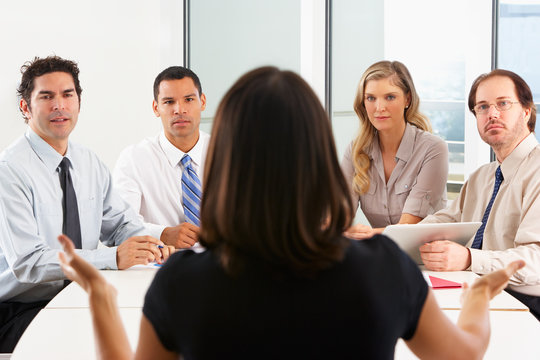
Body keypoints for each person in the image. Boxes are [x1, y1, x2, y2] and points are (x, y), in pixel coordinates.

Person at [58, 66, 523, 359]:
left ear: (225, 162)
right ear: (318, 156)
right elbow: (462, 355)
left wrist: (99, 296)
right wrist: (479, 297)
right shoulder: (383, 269)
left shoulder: (182, 281)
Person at [0, 56, 174, 352]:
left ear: (78, 102)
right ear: (25, 107)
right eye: (47, 96)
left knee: (153, 331)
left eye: (68, 95)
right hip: (22, 307)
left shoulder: (88, 162)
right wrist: (112, 259)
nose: (60, 105)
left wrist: (153, 246)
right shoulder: (10, 169)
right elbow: (28, 264)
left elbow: (120, 225)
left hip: (79, 296)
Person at [419, 69, 540, 320]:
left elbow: (536, 261)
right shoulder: (481, 177)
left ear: (527, 112)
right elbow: (444, 222)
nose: (492, 114)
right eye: (482, 107)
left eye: (503, 103)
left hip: (528, 303)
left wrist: (468, 258)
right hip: (480, 292)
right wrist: (387, 238)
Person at [341, 60, 448, 239]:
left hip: (429, 258)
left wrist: (363, 234)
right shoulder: (356, 150)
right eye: (371, 98)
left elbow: (409, 225)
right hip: (383, 253)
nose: (379, 108)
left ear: (407, 99)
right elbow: (340, 213)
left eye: (390, 97)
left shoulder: (433, 149)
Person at [114, 66, 209, 250]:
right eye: (169, 102)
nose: (179, 110)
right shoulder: (134, 159)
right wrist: (163, 234)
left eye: (188, 99)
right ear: (156, 108)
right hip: (160, 268)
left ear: (202, 102)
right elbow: (121, 225)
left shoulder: (227, 152)